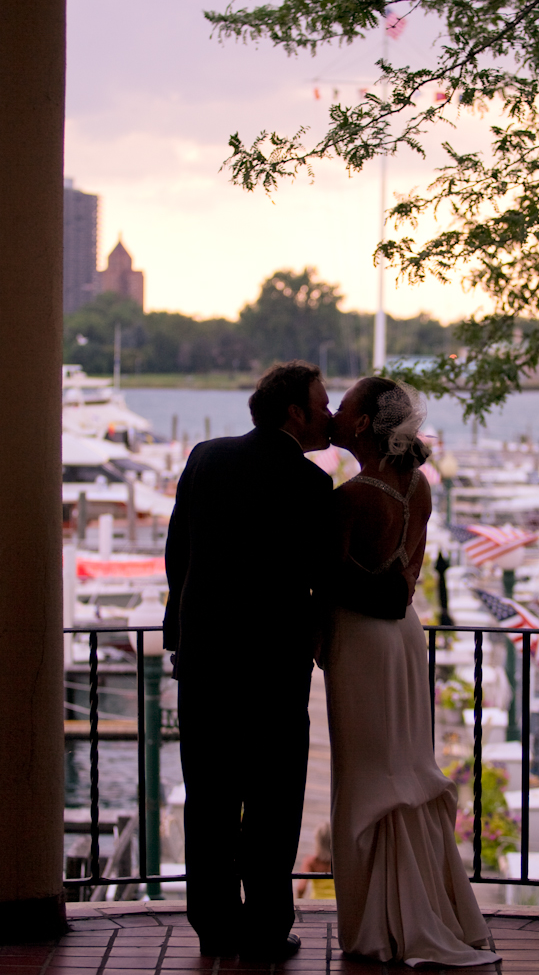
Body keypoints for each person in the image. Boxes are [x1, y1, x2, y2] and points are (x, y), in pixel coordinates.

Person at [163, 362, 409, 961]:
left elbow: (178, 556)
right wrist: (392, 594)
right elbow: (325, 574)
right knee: (273, 800)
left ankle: (214, 925)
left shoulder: (205, 458)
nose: (329, 416)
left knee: (209, 797)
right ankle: (268, 928)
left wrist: (181, 636)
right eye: (322, 405)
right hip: (274, 666)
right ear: (295, 413)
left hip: (205, 660)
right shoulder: (308, 484)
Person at [323, 377, 501, 968]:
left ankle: (377, 925)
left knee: (367, 771)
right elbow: (408, 576)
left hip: (360, 639)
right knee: (403, 763)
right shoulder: (418, 485)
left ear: (364, 424)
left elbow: (328, 579)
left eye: (343, 407)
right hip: (404, 634)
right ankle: (418, 908)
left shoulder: (351, 498)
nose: (334, 413)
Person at [295, 822, 335, 899]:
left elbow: (301, 888)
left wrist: (299, 899)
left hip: (317, 902)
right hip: (337, 903)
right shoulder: (341, 862)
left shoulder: (311, 861)